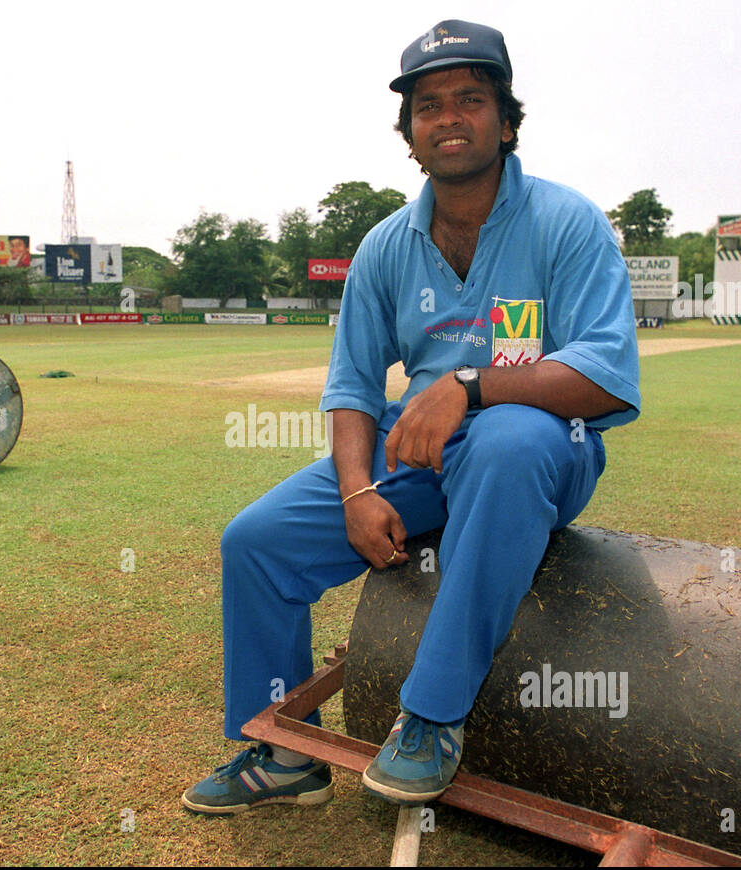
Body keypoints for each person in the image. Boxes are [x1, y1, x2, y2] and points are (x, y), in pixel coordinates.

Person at [182, 19, 640, 813]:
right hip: (420, 453)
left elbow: (604, 377)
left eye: (471, 98)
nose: (449, 117)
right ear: (409, 134)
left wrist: (469, 383)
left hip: (542, 447)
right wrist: (359, 492)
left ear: (506, 119)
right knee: (256, 542)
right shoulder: (386, 246)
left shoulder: (567, 222)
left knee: (507, 439)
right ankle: (283, 754)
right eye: (429, 105)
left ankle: (432, 717)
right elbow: (354, 385)